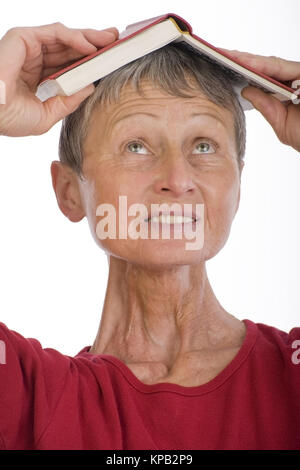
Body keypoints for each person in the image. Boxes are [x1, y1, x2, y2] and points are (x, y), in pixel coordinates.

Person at [0, 22, 299, 451]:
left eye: (203, 145)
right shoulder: (27, 397)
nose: (178, 180)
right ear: (69, 191)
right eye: (137, 145)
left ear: (238, 186)